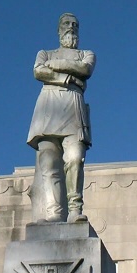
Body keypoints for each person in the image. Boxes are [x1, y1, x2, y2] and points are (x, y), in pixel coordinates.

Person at [27, 13, 96, 223]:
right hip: (48, 109)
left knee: (75, 158)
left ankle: (75, 209)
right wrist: (66, 78)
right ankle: (54, 212)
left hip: (74, 108)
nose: (71, 27)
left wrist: (54, 68)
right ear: (59, 30)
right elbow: (38, 71)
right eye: (66, 24)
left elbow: (85, 68)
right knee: (48, 162)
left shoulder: (87, 54)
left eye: (75, 24)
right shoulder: (44, 53)